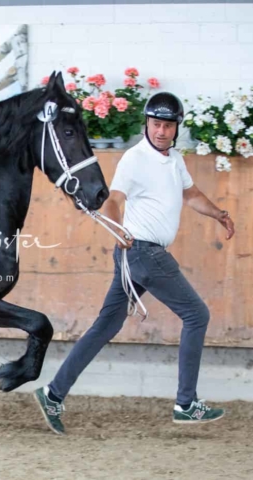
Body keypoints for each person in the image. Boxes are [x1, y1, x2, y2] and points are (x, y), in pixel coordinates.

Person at [34, 92, 236, 435]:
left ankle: (53, 393)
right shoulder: (135, 158)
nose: (161, 131)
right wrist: (117, 228)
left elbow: (189, 193)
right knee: (197, 315)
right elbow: (114, 199)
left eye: (168, 126)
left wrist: (218, 213)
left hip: (138, 256)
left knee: (106, 326)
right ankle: (186, 403)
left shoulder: (174, 160)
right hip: (144, 253)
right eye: (156, 124)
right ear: (147, 124)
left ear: (176, 128)